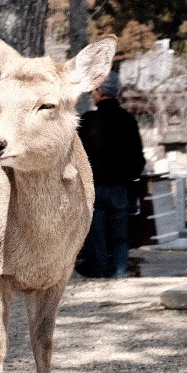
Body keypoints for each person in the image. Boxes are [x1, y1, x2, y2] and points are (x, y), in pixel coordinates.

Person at [77, 69, 146, 278]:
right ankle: (120, 273)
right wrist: (128, 176)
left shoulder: (88, 121)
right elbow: (138, 159)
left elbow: (77, 157)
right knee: (120, 237)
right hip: (120, 187)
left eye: (94, 90)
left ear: (100, 91)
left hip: (94, 187)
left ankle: (98, 274)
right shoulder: (128, 120)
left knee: (96, 236)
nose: (92, 94)